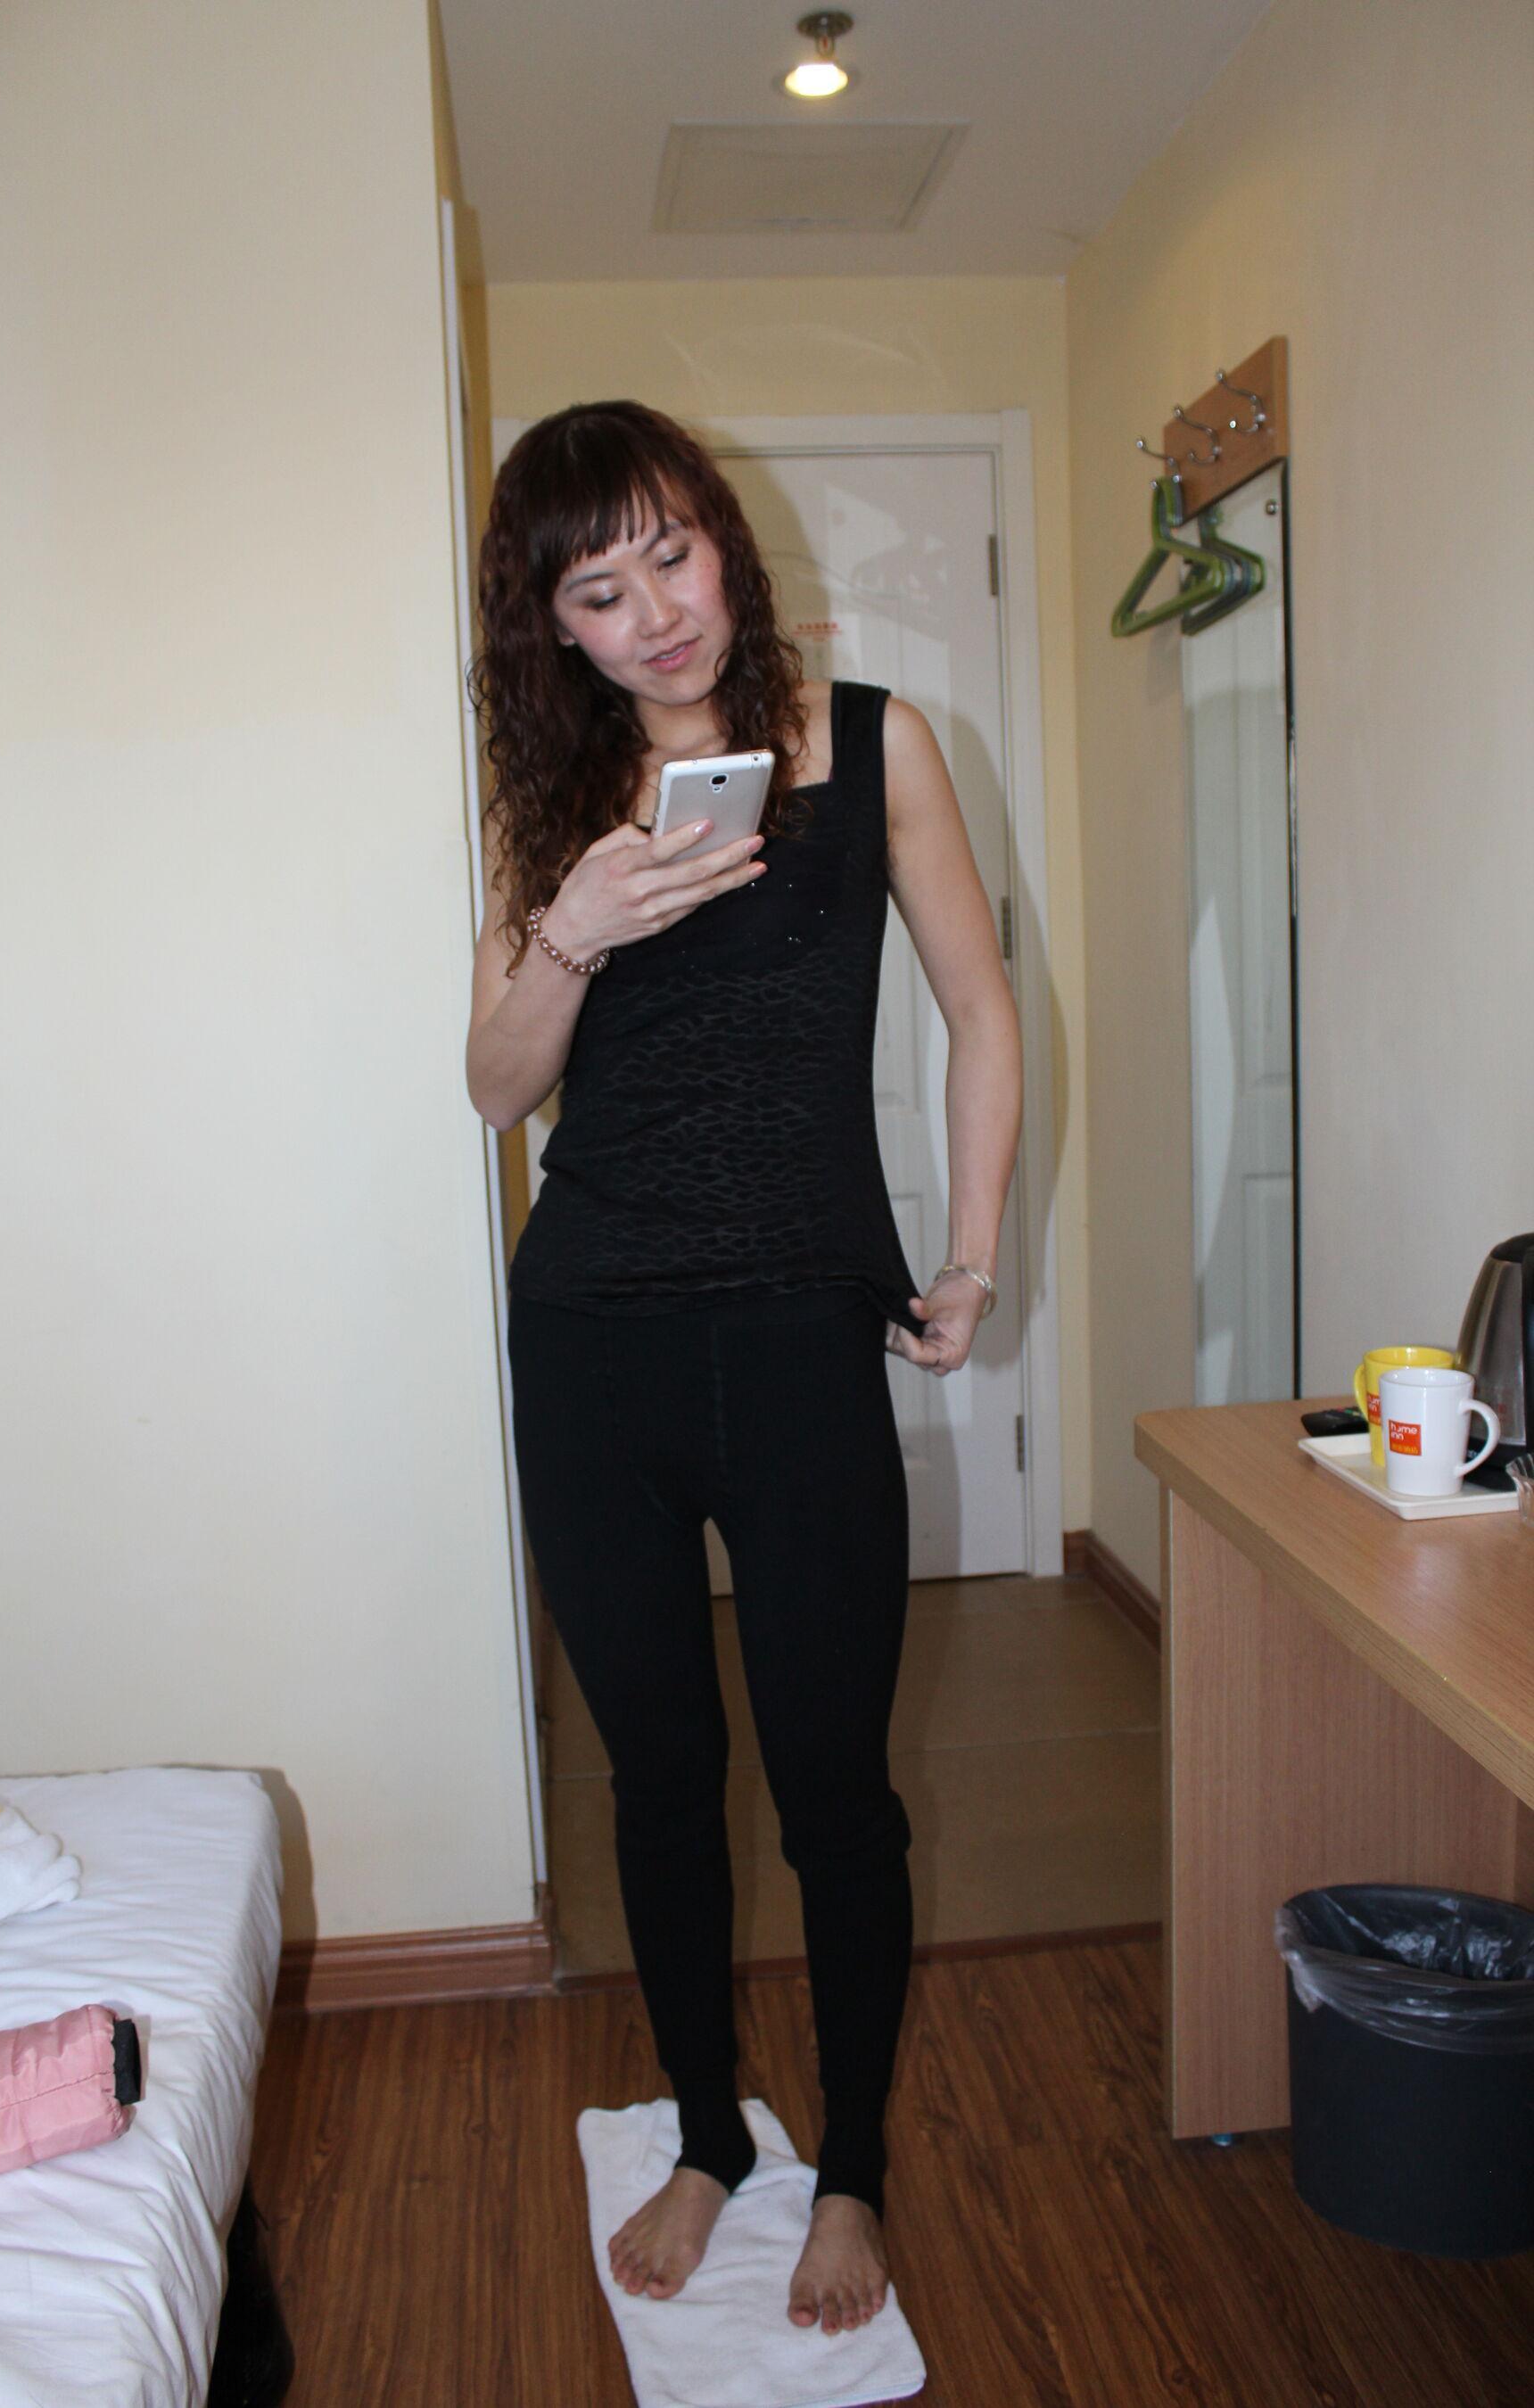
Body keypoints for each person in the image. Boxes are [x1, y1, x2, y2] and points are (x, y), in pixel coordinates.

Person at [466, 400, 1022, 2338]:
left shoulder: (871, 745)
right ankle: (710, 2133)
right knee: (660, 1778)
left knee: (835, 1786)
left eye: (671, 555)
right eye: (598, 594)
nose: (656, 615)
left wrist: (971, 1250)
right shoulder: (552, 801)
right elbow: (495, 1089)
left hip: (796, 1339)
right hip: (592, 1344)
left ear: (722, 535)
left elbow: (979, 1003)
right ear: (553, 627)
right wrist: (573, 929)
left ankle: (848, 2166)